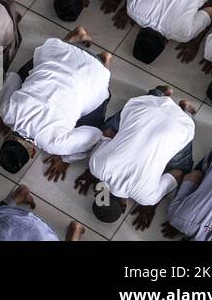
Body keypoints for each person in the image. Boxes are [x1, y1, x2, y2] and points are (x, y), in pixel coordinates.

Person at [0, 28, 113, 179]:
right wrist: (4, 111)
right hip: (62, 50)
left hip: (94, 69)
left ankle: (105, 60)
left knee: (90, 117)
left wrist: (66, 158)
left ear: (32, 153)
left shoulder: (54, 145)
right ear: (7, 137)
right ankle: (75, 37)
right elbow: (12, 78)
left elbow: (94, 135)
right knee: (32, 75)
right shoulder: (7, 112)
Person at [74, 88, 196, 229]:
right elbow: (108, 134)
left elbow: (178, 173)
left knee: (183, 167)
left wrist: (150, 204)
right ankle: (159, 93)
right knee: (110, 127)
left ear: (124, 206)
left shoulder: (147, 197)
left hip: (179, 124)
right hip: (149, 106)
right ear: (99, 192)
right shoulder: (97, 167)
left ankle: (187, 112)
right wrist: (91, 169)